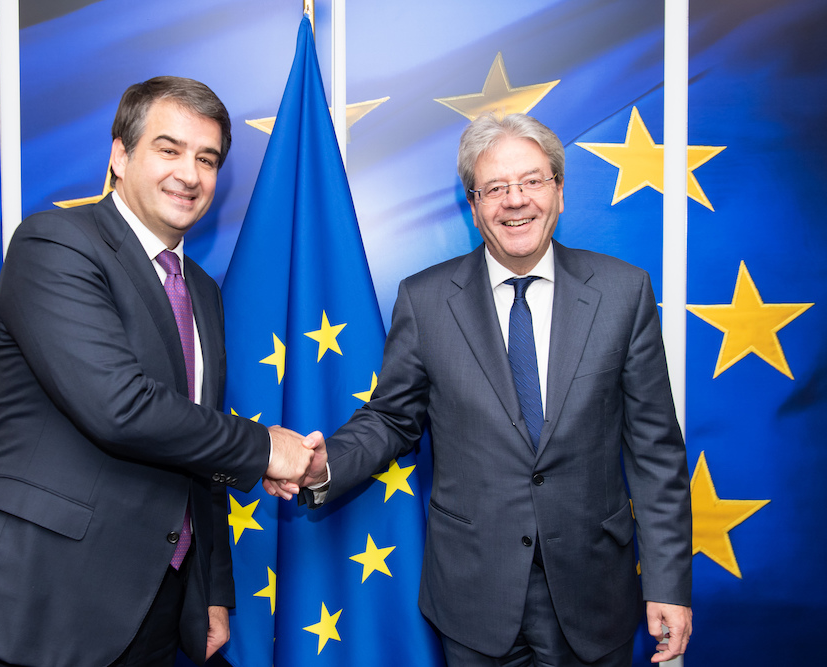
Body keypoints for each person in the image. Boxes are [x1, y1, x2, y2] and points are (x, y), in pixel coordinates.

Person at [270, 112, 693, 666]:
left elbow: (655, 451)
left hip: (594, 590)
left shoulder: (623, 292)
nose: (515, 201)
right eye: (495, 188)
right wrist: (323, 466)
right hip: (472, 595)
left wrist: (667, 582)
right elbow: (393, 419)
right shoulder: (424, 300)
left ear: (559, 192)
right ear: (473, 206)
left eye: (532, 181)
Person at [0, 76, 314, 667]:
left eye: (207, 159)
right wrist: (266, 449)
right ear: (119, 155)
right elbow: (120, 408)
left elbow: (196, 441)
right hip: (34, 600)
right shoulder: (55, 244)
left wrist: (210, 592)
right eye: (169, 149)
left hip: (156, 603)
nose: (189, 174)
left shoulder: (203, 292)